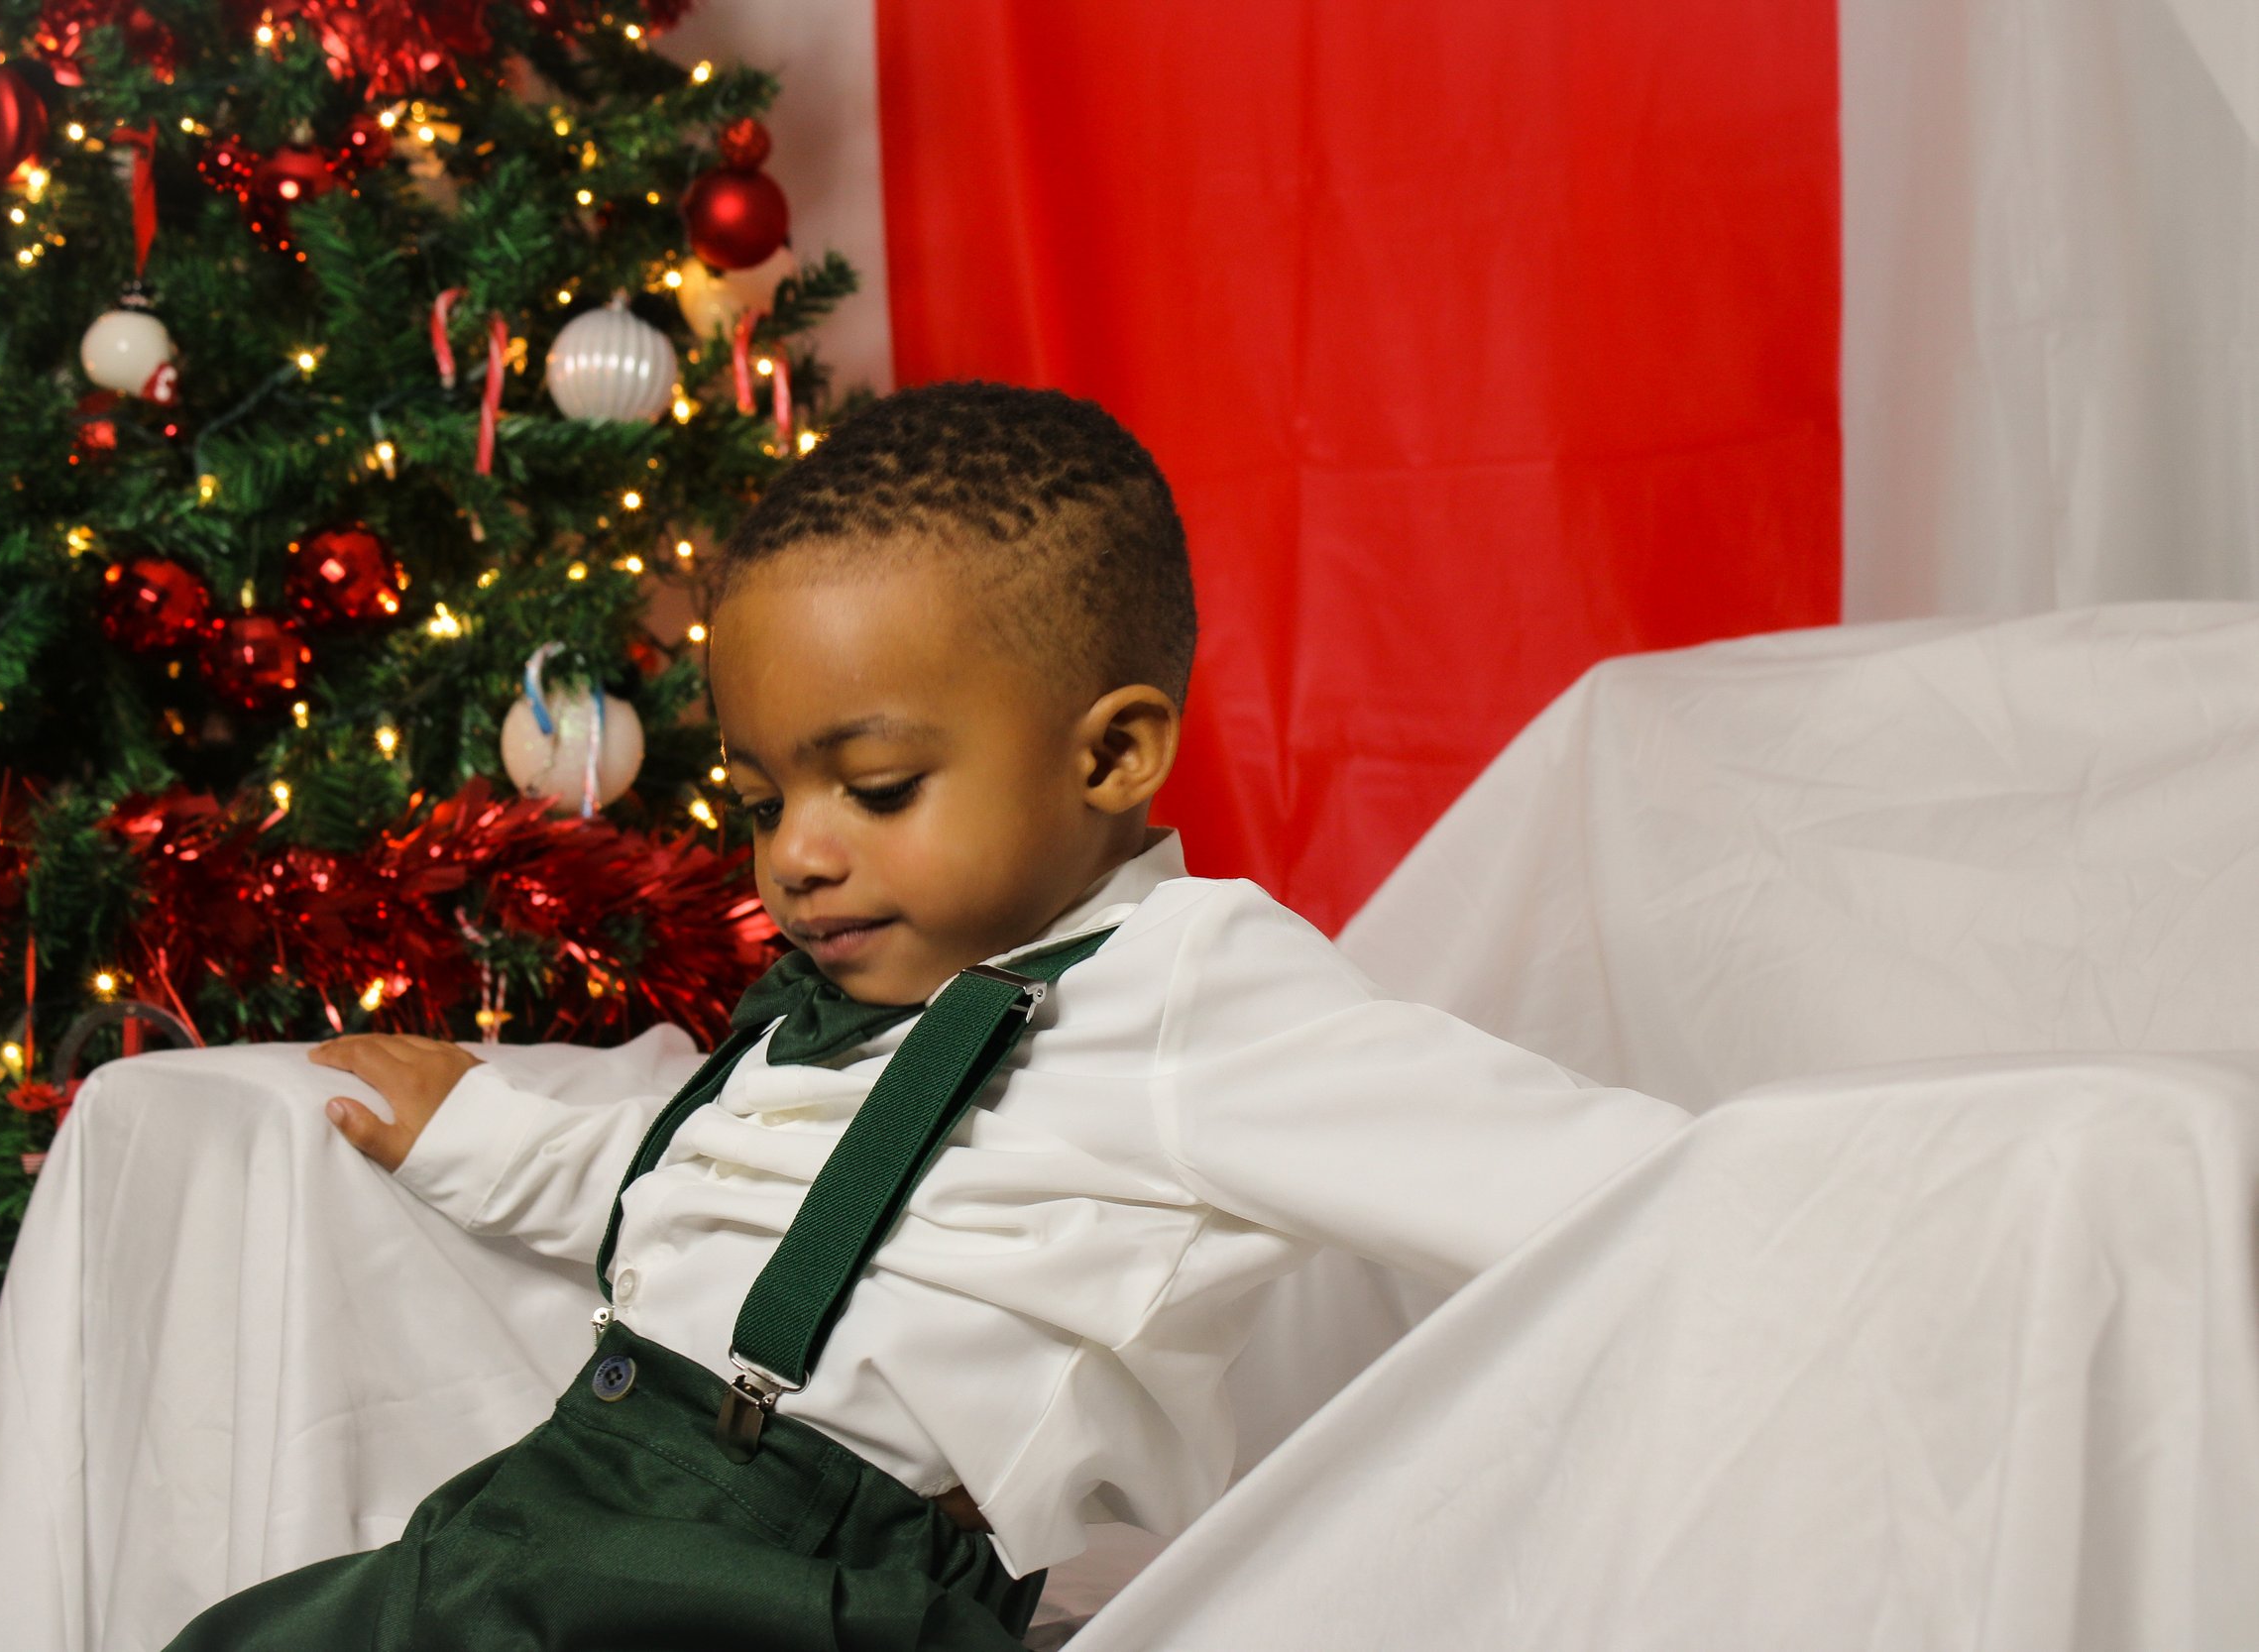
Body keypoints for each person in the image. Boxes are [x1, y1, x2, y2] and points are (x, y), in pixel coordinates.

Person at [166, 382, 1689, 1651]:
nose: (798, 855)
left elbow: (1597, 1184)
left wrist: (1831, 1189)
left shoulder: (1189, 986)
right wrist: (477, 1137)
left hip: (796, 1585)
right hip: (552, 1510)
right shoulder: (849, 986)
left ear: (1113, 757)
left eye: (876, 788)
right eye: (762, 801)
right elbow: (699, 1194)